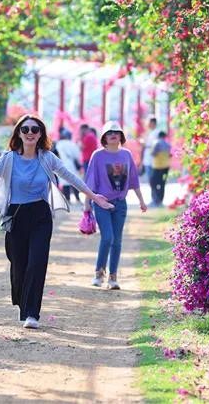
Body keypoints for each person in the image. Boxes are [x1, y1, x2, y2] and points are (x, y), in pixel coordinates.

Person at [0, 114, 113, 329]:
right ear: (19, 134)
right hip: (16, 216)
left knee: (37, 262)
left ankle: (32, 313)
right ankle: (23, 303)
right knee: (19, 264)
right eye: (25, 129)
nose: (30, 133)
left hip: (40, 215)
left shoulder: (47, 158)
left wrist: (94, 196)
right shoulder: (8, 158)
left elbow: (70, 176)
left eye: (35, 129)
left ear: (40, 134)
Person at [84, 121, 146, 290]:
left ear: (121, 136)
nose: (113, 135)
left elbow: (134, 180)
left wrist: (141, 201)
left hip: (120, 204)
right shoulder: (98, 155)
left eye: (116, 132)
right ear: (104, 137)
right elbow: (90, 181)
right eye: (109, 132)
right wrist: (87, 203)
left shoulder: (126, 155)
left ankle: (113, 277)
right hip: (101, 203)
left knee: (117, 241)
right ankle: (99, 273)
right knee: (107, 237)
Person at [56, 129, 82, 203]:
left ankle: (67, 199)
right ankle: (77, 198)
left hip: (61, 164)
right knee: (74, 181)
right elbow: (77, 155)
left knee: (64, 182)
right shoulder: (72, 144)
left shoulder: (58, 144)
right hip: (71, 164)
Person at [149, 131, 171, 207]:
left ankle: (155, 200)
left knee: (153, 183)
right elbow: (170, 155)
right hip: (165, 167)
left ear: (158, 136)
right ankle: (160, 201)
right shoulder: (168, 144)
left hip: (157, 167)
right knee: (162, 184)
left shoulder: (156, 143)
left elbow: (153, 153)